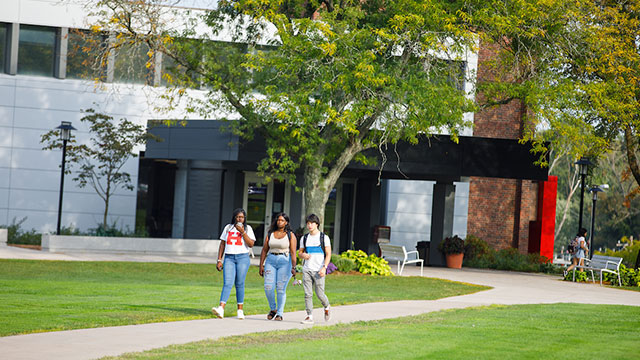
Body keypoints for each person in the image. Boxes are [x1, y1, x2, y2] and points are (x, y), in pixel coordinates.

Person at [212, 208, 256, 319]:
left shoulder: (248, 228)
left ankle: (240, 310)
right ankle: (221, 308)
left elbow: (251, 244)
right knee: (227, 282)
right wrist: (219, 259)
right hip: (229, 258)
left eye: (241, 217)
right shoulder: (228, 227)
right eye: (237, 217)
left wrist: (242, 232)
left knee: (240, 283)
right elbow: (222, 244)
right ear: (234, 217)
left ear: (244, 218)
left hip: (242, 257)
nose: (239, 219)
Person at [259, 212, 297, 321]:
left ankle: (280, 313)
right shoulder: (270, 233)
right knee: (268, 287)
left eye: (282, 220)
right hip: (271, 260)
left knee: (280, 288)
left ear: (286, 223)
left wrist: (294, 267)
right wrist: (261, 265)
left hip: (285, 261)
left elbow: (293, 252)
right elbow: (264, 250)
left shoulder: (290, 235)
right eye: (278, 220)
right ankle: (273, 309)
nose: (279, 222)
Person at [298, 213, 331, 324]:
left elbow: (328, 254)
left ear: (317, 224)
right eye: (308, 223)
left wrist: (324, 268)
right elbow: (300, 252)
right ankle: (309, 316)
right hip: (307, 269)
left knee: (320, 294)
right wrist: (303, 255)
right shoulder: (305, 238)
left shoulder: (324, 238)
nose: (309, 225)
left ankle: (326, 306)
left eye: (312, 223)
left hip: (319, 270)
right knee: (308, 294)